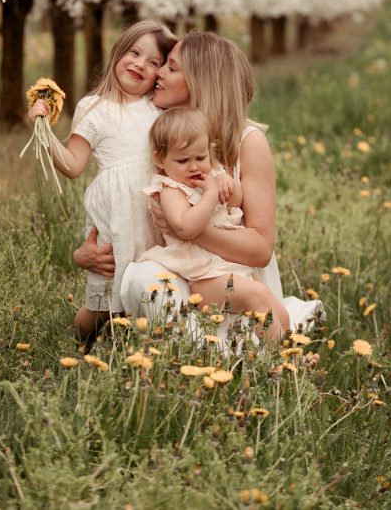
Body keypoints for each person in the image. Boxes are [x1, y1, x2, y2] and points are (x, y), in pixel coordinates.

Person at [72, 30, 321, 338]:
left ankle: (213, 355)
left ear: (200, 81)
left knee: (242, 327)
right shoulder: (158, 130)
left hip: (229, 276)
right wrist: (84, 254)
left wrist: (192, 228)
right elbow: (118, 200)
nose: (158, 72)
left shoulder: (247, 141)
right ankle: (189, 351)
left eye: (171, 68)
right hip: (173, 267)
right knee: (144, 279)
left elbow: (260, 249)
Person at [28, 20, 178, 342]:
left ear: (160, 75)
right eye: (135, 53)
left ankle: (140, 343)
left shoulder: (159, 109)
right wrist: (43, 130)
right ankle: (77, 343)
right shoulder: (94, 107)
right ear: (118, 53)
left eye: (154, 62)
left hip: (152, 216)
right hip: (116, 218)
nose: (140, 64)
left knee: (150, 290)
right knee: (106, 301)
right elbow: (72, 164)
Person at [137, 107, 291, 341]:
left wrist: (227, 184)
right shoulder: (170, 188)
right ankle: (287, 363)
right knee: (257, 295)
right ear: (160, 159)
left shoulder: (211, 174)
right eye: (183, 160)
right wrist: (210, 193)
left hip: (230, 266)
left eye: (200, 158)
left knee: (279, 312)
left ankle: (285, 355)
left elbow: (236, 203)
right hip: (203, 277)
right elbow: (186, 228)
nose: (193, 167)